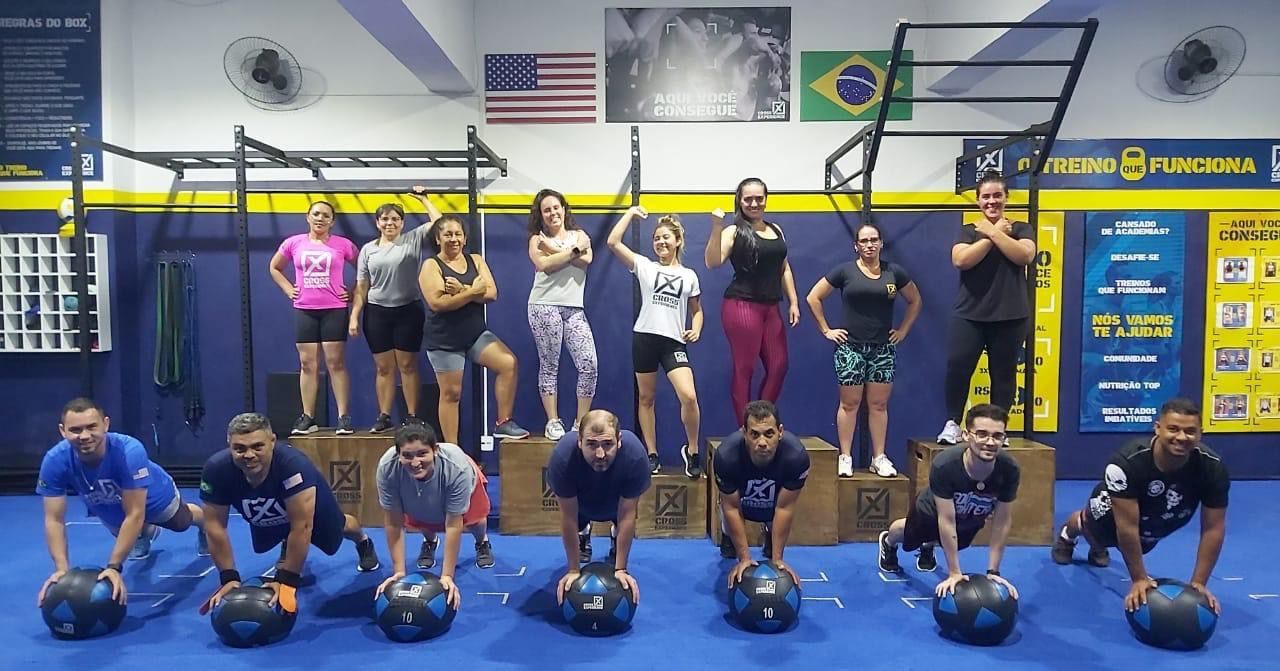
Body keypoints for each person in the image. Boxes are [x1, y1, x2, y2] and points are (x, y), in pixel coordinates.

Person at [1052, 398, 1228, 614]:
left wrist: (1199, 583)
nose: (1182, 437)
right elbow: (1126, 527)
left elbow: (1213, 528)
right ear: (1158, 428)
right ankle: (1068, 535)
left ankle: (1099, 545)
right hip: (1114, 510)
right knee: (1095, 533)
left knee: (1141, 546)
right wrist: (1139, 579)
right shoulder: (1126, 462)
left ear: (1201, 433)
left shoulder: (1213, 468)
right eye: (1173, 429)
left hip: (1161, 516)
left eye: (1190, 431)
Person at [199, 413, 380, 614]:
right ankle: (288, 542)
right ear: (229, 445)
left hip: (307, 512)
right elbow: (214, 526)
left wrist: (286, 580)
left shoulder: (293, 466)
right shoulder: (216, 470)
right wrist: (228, 578)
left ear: (272, 441)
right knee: (282, 532)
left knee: (342, 526)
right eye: (240, 449)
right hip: (268, 514)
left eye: (257, 446)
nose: (249, 455)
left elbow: (302, 526)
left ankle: (363, 542)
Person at [36, 398, 207, 607]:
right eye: (75, 430)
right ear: (63, 431)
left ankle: (205, 524)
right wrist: (62, 570)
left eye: (92, 427)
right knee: (126, 533)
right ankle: (145, 533)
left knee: (180, 522)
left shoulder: (129, 451)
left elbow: (135, 513)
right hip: (106, 502)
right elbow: (54, 519)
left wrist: (114, 567)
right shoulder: (54, 460)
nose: (85, 436)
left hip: (153, 495)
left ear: (105, 424)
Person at [806, 223, 922, 478]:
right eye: (864, 241)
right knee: (850, 404)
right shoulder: (845, 271)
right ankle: (845, 456)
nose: (869, 245)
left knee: (879, 405)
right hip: (850, 349)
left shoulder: (894, 273)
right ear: (856, 246)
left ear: (881, 243)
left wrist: (903, 330)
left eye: (873, 240)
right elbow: (813, 297)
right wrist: (826, 330)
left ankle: (878, 457)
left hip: (882, 349)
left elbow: (915, 300)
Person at [879, 404, 1021, 600]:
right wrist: (954, 573)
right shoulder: (945, 465)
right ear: (966, 435)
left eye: (997, 436)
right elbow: (946, 520)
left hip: (969, 514)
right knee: (908, 535)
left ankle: (929, 544)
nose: (990, 442)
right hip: (931, 511)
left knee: (957, 543)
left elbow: (1002, 521)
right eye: (982, 434)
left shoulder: (1009, 469)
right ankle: (888, 541)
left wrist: (993, 572)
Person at [937, 172, 1037, 445]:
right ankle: (953, 424)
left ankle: (998, 429)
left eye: (997, 196)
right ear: (978, 200)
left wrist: (992, 231)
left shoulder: (1021, 228)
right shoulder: (969, 231)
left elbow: (1025, 255)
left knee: (1003, 374)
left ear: (1006, 198)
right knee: (958, 368)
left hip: (1011, 316)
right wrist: (993, 235)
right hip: (969, 315)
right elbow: (961, 260)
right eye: (986, 197)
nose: (991, 201)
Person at [607, 206, 704, 478]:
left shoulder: (689, 275)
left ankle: (693, 450)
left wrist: (696, 328)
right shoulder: (645, 267)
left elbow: (697, 310)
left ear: (678, 241)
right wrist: (629, 214)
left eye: (666, 237)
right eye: (656, 238)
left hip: (673, 342)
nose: (661, 242)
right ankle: (651, 454)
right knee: (646, 398)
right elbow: (613, 242)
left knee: (689, 396)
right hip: (645, 338)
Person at [420, 214, 529, 443]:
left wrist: (461, 289)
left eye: (458, 234)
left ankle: (503, 423)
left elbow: (491, 293)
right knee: (452, 394)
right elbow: (438, 303)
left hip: (475, 335)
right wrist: (472, 291)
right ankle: (452, 449)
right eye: (448, 234)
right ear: (438, 239)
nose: (454, 239)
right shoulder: (431, 265)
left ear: (465, 238)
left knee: (508, 363)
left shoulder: (476, 260)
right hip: (444, 340)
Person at [706, 178, 800, 421]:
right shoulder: (733, 231)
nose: (754, 203)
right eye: (748, 199)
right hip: (741, 306)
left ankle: (760, 421)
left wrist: (793, 301)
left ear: (766, 199)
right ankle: (746, 429)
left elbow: (784, 268)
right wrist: (716, 227)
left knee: (779, 366)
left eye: (759, 198)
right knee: (744, 368)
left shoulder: (776, 229)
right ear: (739, 201)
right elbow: (712, 262)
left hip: (771, 307)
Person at [349, 187, 442, 432]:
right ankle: (384, 416)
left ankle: (412, 416)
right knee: (383, 367)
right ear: (377, 223)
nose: (389, 223)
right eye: (385, 219)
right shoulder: (368, 250)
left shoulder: (413, 239)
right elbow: (362, 286)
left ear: (402, 223)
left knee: (408, 365)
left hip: (408, 311)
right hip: (376, 312)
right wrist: (354, 316)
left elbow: (439, 224)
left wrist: (424, 199)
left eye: (395, 219)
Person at [375, 423, 496, 609]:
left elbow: (453, 525)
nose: (415, 463)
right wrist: (399, 572)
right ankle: (430, 542)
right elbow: (393, 522)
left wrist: (447, 576)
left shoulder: (456, 468)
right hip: (415, 489)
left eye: (422, 454)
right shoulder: (387, 467)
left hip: (466, 484)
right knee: (421, 516)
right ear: (398, 455)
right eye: (407, 456)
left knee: (475, 522)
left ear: (435, 450)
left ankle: (482, 542)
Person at [269, 200, 359, 435]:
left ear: (332, 221)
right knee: (307, 364)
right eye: (316, 214)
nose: (320, 218)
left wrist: (353, 291)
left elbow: (365, 270)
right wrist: (289, 289)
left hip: (334, 309)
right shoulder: (293, 243)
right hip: (305, 309)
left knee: (335, 363)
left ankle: (343, 417)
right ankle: (308, 416)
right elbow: (274, 267)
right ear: (308, 217)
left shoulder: (343, 245)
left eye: (326, 215)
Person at [546, 410, 651, 606]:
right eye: (591, 445)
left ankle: (614, 535)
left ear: (619, 441)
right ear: (579, 441)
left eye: (608, 444)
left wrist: (621, 569)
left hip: (616, 501)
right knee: (578, 521)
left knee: (620, 522)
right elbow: (568, 518)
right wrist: (573, 570)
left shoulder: (635, 456)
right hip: (582, 502)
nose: (600, 454)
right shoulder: (563, 457)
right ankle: (584, 532)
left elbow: (627, 515)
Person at [527, 189, 598, 441]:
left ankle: (580, 423)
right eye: (546, 210)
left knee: (589, 364)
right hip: (543, 305)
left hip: (574, 308)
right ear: (540, 215)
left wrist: (555, 251)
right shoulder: (537, 239)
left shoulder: (580, 235)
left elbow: (587, 260)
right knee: (550, 365)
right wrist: (573, 252)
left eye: (556, 207)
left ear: (564, 209)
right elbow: (544, 266)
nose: (552, 213)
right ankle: (553, 421)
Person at [714, 400, 809, 588]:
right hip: (741, 503)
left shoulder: (796, 458)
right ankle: (727, 535)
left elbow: (785, 507)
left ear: (780, 432)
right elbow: (731, 508)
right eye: (755, 434)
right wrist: (744, 558)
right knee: (727, 516)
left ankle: (769, 533)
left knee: (773, 547)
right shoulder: (726, 457)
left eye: (769, 434)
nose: (762, 442)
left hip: (774, 504)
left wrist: (778, 560)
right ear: (744, 433)